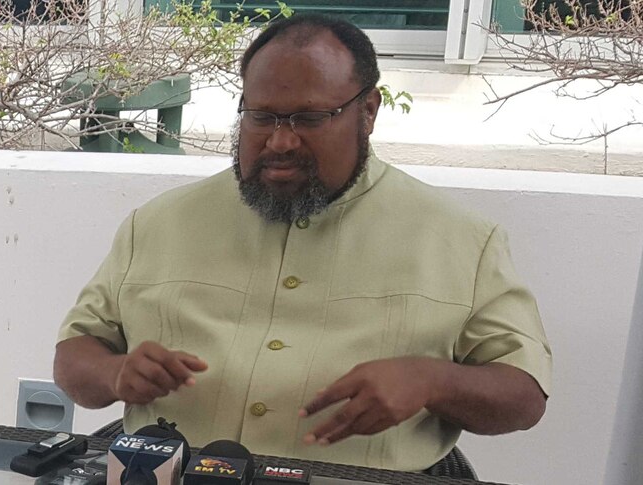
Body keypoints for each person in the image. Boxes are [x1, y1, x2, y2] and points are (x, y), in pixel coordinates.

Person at [53, 14, 552, 472]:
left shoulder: (463, 240)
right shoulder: (157, 223)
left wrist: (431, 380)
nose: (281, 141)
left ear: (369, 110)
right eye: (262, 116)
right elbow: (75, 355)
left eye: (309, 119)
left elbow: (523, 395)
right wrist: (117, 373)